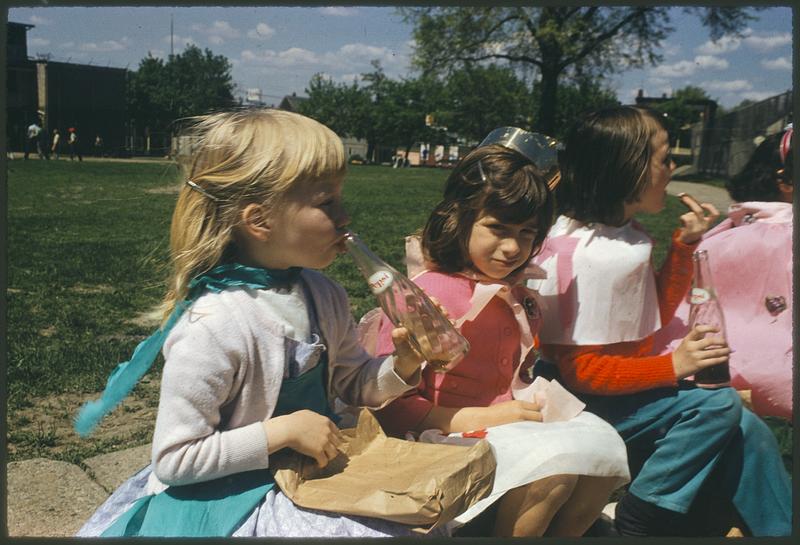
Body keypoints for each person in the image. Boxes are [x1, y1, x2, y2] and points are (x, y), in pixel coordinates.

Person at [73, 109, 454, 537]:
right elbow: (176, 459)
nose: (345, 217)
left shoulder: (324, 295)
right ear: (259, 220)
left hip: (312, 473)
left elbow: (352, 382)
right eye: (326, 203)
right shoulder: (214, 325)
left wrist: (400, 365)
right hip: (230, 495)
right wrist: (280, 432)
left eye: (341, 199)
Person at [530, 105, 791, 536]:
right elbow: (581, 372)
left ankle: (779, 529)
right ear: (628, 170)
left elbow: (651, 313)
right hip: (578, 408)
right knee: (719, 404)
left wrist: (685, 245)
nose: (673, 168)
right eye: (665, 158)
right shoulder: (592, 255)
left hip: (611, 399)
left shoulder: (620, 237)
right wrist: (674, 367)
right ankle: (644, 513)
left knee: (747, 427)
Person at [372, 128, 631, 538]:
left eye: (527, 233)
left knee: (602, 458)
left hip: (503, 423)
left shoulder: (517, 297)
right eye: (498, 228)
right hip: (434, 436)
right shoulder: (428, 297)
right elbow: (391, 407)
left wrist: (516, 404)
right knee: (555, 475)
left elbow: (513, 375)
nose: (513, 248)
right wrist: (496, 415)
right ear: (459, 221)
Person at [653, 126, 793, 420]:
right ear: (786, 182)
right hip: (774, 363)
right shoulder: (787, 231)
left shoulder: (732, 226)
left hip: (703, 355)